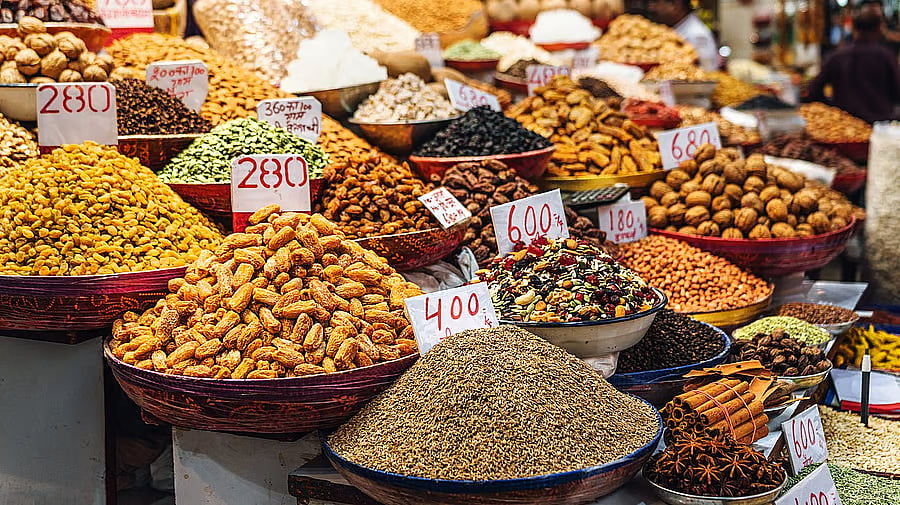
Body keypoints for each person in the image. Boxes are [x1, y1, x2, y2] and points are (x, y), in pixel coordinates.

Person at [806, 3, 900, 123]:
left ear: (852, 26)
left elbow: (813, 91)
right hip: (881, 129)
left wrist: (835, 109)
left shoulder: (837, 57)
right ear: (880, 28)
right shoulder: (887, 56)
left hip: (845, 128)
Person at [647, 0, 719, 71]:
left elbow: (708, 71)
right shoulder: (674, 29)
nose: (651, 7)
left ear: (674, 4)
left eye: (655, 1)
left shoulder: (696, 34)